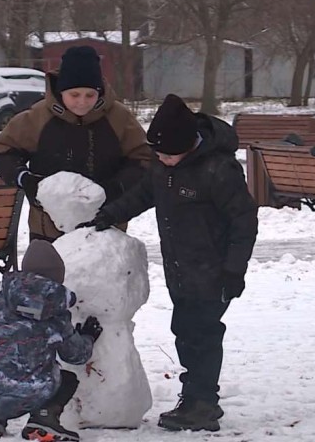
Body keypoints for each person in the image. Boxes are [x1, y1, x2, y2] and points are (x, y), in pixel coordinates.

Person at [78, 94, 258, 432]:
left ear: (190, 145)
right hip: (180, 269)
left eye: (169, 155)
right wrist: (110, 215)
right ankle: (195, 397)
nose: (162, 160)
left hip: (214, 271)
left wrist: (234, 271)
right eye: (158, 154)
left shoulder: (218, 170)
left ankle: (202, 404)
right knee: (185, 331)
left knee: (202, 334)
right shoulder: (163, 164)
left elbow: (244, 222)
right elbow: (145, 193)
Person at [0, 45, 152, 242]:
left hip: (105, 225)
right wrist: (26, 180)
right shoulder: (37, 117)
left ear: (100, 92)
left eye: (90, 95)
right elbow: (3, 150)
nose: (82, 102)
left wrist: (116, 187)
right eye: (74, 95)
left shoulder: (119, 118)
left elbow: (143, 158)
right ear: (61, 91)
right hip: (47, 226)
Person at [0, 240, 104, 441]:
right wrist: (88, 337)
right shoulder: (55, 314)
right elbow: (76, 356)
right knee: (67, 379)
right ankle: (44, 417)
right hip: (31, 392)